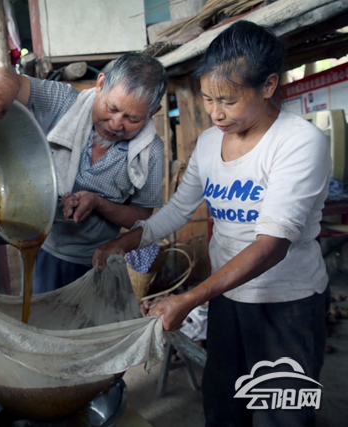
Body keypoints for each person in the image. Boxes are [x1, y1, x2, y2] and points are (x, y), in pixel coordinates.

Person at [93, 21, 330, 427]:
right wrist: (126, 242)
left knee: (282, 416)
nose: (216, 112)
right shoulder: (208, 143)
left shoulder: (298, 142)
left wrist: (188, 299)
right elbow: (177, 211)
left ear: (268, 85)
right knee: (223, 408)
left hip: (287, 304)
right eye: (207, 98)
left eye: (228, 101)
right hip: (228, 299)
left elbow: (271, 245)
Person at [0, 52, 168, 293]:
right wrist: (0, 85)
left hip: (97, 260)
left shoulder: (150, 152)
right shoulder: (64, 103)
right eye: (112, 108)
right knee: (38, 314)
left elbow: (142, 217)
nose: (116, 124)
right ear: (100, 84)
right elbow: (12, 80)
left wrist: (99, 203)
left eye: (133, 119)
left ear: (153, 112)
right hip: (42, 248)